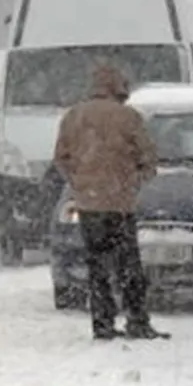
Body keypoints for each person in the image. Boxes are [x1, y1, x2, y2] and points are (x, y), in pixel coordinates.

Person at [53, 64, 169, 341]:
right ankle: (137, 319)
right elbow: (148, 156)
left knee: (97, 267)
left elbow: (61, 158)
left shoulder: (73, 116)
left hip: (89, 204)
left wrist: (79, 182)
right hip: (120, 204)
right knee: (128, 265)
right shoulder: (128, 117)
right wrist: (134, 180)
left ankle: (102, 323)